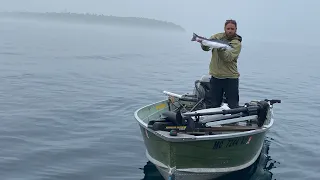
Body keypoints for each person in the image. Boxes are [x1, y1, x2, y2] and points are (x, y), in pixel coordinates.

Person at [200, 19, 242, 109]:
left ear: (236, 29)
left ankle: (233, 122)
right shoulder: (217, 37)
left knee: (233, 105)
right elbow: (206, 49)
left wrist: (220, 48)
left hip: (230, 78)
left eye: (232, 29)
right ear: (224, 28)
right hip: (216, 77)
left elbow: (228, 58)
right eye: (228, 28)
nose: (230, 30)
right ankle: (211, 122)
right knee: (213, 105)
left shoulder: (237, 43)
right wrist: (203, 44)